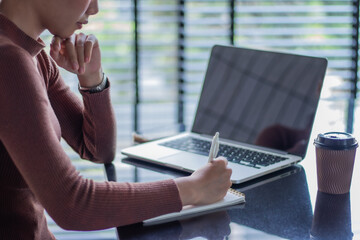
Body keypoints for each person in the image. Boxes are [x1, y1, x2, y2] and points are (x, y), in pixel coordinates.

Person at [0, 0, 232, 239]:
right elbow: (72, 205)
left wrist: (92, 78)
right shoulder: (8, 61)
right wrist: (193, 189)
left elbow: (99, 151)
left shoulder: (34, 57)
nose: (94, 9)